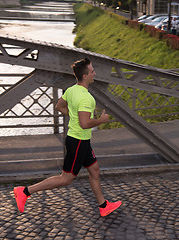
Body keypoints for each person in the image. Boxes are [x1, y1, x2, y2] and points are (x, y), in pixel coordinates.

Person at [13, 58, 122, 217]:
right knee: (66, 179)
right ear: (85, 76)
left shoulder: (71, 90)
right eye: (92, 71)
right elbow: (85, 124)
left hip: (81, 141)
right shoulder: (86, 98)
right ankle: (24, 191)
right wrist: (101, 120)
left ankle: (103, 205)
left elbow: (59, 106)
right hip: (78, 141)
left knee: (94, 170)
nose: (95, 73)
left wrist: (75, 117)